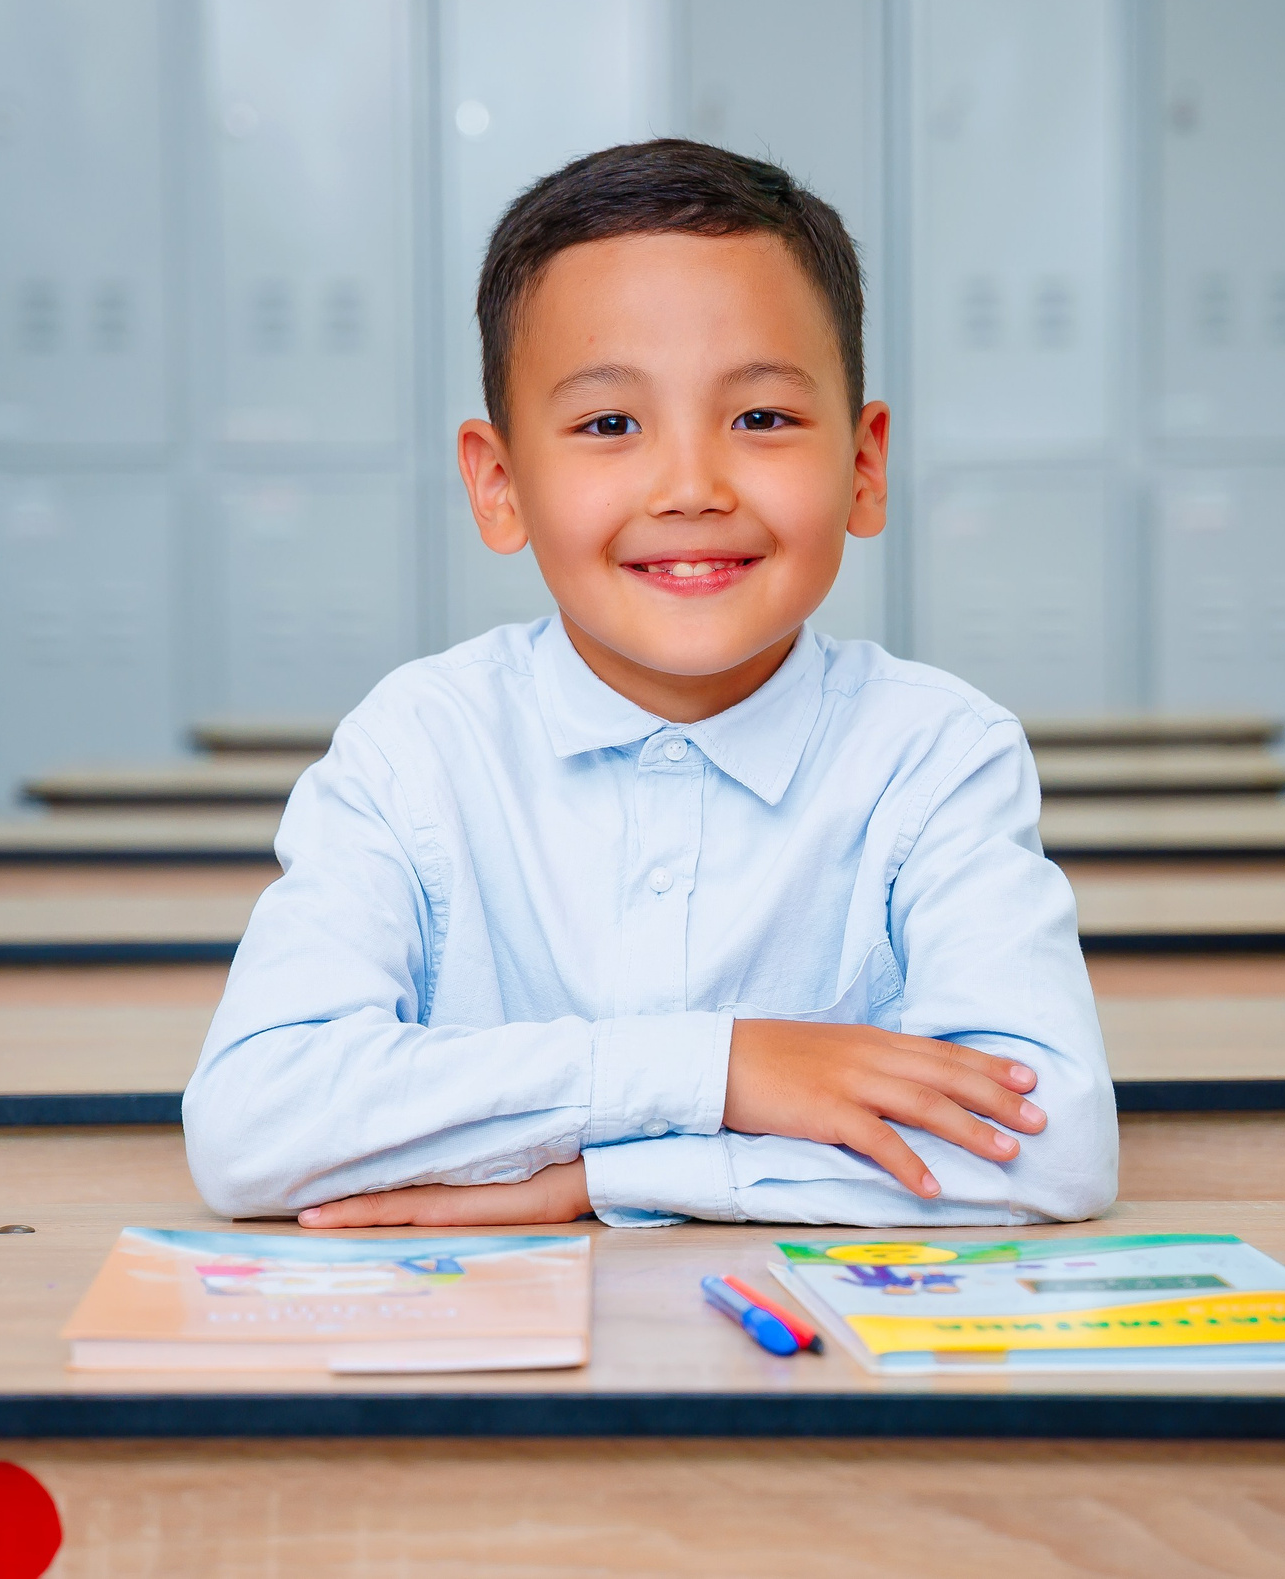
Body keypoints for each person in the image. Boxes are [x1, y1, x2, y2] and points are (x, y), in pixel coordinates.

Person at [185, 138, 1115, 1228]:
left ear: (863, 467)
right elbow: (256, 1127)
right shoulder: (417, 749)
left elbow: (1048, 1153)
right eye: (609, 425)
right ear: (499, 485)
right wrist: (722, 1072)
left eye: (761, 417)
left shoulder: (937, 756)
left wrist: (598, 1178)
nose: (688, 486)